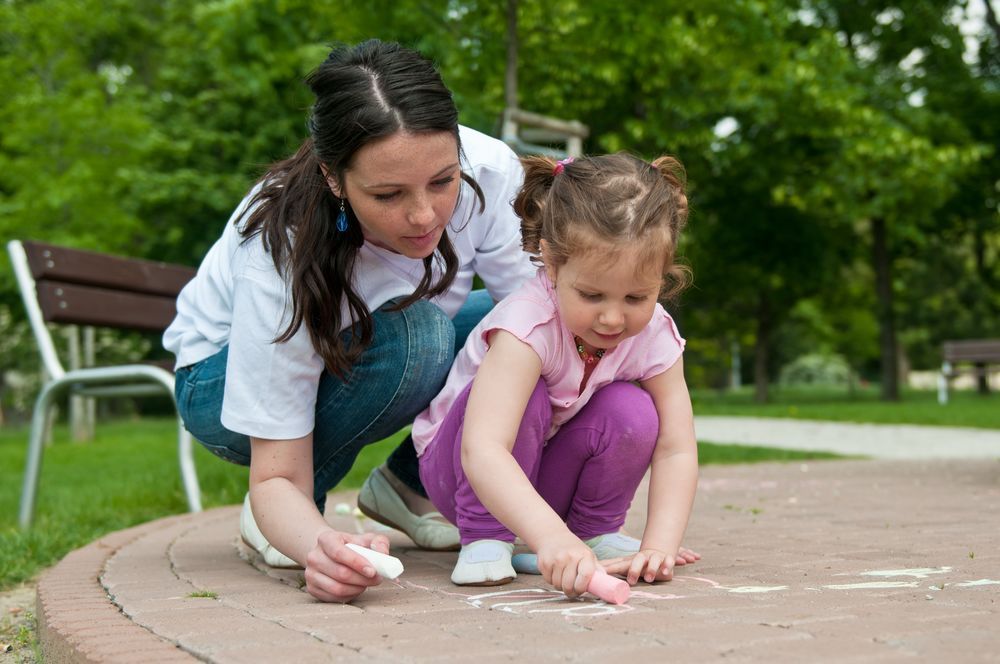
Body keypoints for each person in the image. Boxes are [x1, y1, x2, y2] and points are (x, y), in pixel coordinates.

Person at [163, 39, 536, 603]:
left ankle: (407, 487)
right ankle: (283, 520)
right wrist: (315, 544)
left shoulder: (490, 171)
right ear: (334, 179)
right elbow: (276, 475)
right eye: (387, 194)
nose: (423, 215)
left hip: (378, 344)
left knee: (514, 329)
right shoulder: (282, 250)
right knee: (423, 337)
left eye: (442, 181)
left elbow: (543, 328)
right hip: (216, 386)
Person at [412, 153, 701, 594]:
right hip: (461, 471)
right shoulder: (528, 326)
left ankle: (590, 533)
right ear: (551, 262)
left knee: (634, 410)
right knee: (530, 393)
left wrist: (659, 546)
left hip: (541, 469)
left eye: (636, 297)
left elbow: (676, 448)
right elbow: (484, 449)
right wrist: (551, 538)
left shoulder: (655, 333)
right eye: (591, 294)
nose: (611, 318)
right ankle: (487, 535)